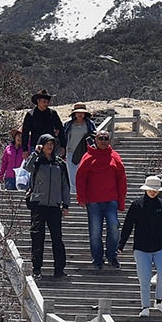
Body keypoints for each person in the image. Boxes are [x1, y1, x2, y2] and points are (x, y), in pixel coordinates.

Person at [119, 177, 162, 316]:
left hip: (160, 246)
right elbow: (128, 225)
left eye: (155, 190)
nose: (152, 192)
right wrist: (121, 244)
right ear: (145, 189)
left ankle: (159, 301)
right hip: (141, 247)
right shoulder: (137, 205)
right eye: (150, 190)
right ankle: (145, 306)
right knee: (144, 278)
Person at [74, 130, 127, 268]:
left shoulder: (115, 156)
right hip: (93, 202)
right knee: (95, 232)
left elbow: (122, 180)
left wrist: (121, 201)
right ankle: (97, 259)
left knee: (114, 228)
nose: (103, 141)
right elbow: (80, 179)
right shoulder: (88, 156)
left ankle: (112, 256)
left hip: (111, 201)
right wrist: (81, 197)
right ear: (95, 140)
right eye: (100, 138)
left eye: (106, 138)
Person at [21, 134, 71, 278]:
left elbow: (65, 185)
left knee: (57, 238)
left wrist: (66, 204)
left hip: (54, 206)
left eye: (52, 144)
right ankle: (36, 269)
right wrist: (35, 153)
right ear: (41, 145)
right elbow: (27, 167)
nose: (50, 146)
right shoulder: (36, 161)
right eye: (47, 143)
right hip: (38, 205)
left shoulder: (59, 163)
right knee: (37, 238)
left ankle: (59, 269)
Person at [59, 105, 97, 197]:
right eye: (78, 112)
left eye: (82, 112)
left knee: (84, 175)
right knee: (72, 176)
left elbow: (94, 137)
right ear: (74, 113)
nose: (80, 114)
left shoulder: (89, 124)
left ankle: (84, 195)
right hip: (70, 152)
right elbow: (63, 138)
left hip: (85, 153)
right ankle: (73, 196)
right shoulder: (68, 124)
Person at [19, 91, 65, 155]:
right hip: (36, 147)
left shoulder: (52, 113)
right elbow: (25, 133)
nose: (46, 104)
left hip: (50, 147)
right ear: (38, 101)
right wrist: (25, 149)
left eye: (47, 102)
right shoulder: (30, 115)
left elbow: (60, 129)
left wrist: (63, 146)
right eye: (44, 102)